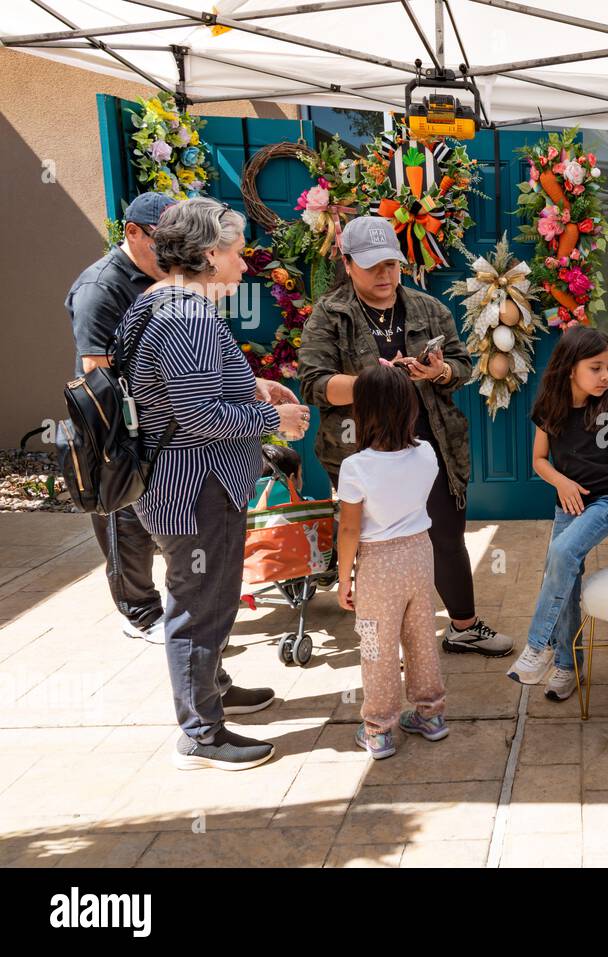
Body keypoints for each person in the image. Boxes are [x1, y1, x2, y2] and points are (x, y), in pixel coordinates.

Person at [115, 198, 312, 771]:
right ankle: (201, 733)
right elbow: (201, 419)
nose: (245, 264)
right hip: (195, 489)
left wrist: (256, 386)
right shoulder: (189, 317)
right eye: (236, 251)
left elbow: (193, 390)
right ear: (208, 254)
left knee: (210, 598)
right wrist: (279, 420)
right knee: (200, 604)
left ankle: (214, 689)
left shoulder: (160, 302)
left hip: (181, 485)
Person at [298, 216, 513, 657]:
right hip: (361, 451)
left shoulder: (427, 307)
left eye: (392, 265)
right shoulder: (330, 315)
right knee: (372, 545)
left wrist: (441, 371)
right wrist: (374, 381)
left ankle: (463, 627)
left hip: (430, 445)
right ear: (348, 262)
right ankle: (377, 637)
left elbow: (462, 366)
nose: (385, 275)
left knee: (447, 536)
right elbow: (314, 384)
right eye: (373, 266)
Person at [507, 327, 608, 701]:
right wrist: (562, 482)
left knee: (559, 555)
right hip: (568, 504)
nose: (606, 376)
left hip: (605, 504)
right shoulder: (549, 407)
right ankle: (568, 666)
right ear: (571, 368)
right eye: (596, 367)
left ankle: (537, 647)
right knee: (566, 579)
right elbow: (539, 460)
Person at [65, 192, 175, 644]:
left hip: (149, 417)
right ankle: (141, 615)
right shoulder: (101, 287)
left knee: (152, 516)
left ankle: (173, 604)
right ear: (132, 233)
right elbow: (97, 370)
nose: (169, 253)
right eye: (160, 242)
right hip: (112, 425)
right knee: (123, 519)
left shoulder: (162, 275)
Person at [335, 364, 449, 759]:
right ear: (409, 408)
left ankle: (379, 729)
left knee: (374, 645)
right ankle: (431, 715)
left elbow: (349, 531)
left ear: (362, 411)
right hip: (420, 553)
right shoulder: (427, 453)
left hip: (378, 564)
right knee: (421, 637)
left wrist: (344, 579)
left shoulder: (355, 468)